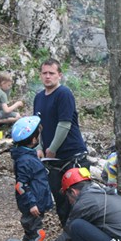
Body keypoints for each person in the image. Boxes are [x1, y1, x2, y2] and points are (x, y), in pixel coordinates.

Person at [33, 58, 90, 227]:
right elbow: (38, 126)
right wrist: (39, 147)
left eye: (52, 73)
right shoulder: (38, 98)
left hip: (73, 155)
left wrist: (52, 148)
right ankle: (68, 236)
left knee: (79, 199)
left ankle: (84, 236)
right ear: (40, 75)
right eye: (45, 73)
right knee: (60, 200)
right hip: (52, 159)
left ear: (59, 75)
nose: (48, 76)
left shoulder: (64, 93)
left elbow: (64, 124)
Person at [10, 116, 52, 241]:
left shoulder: (27, 156)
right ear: (34, 139)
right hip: (32, 205)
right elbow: (21, 185)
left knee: (32, 233)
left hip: (38, 201)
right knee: (36, 234)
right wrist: (31, 204)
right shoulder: (24, 160)